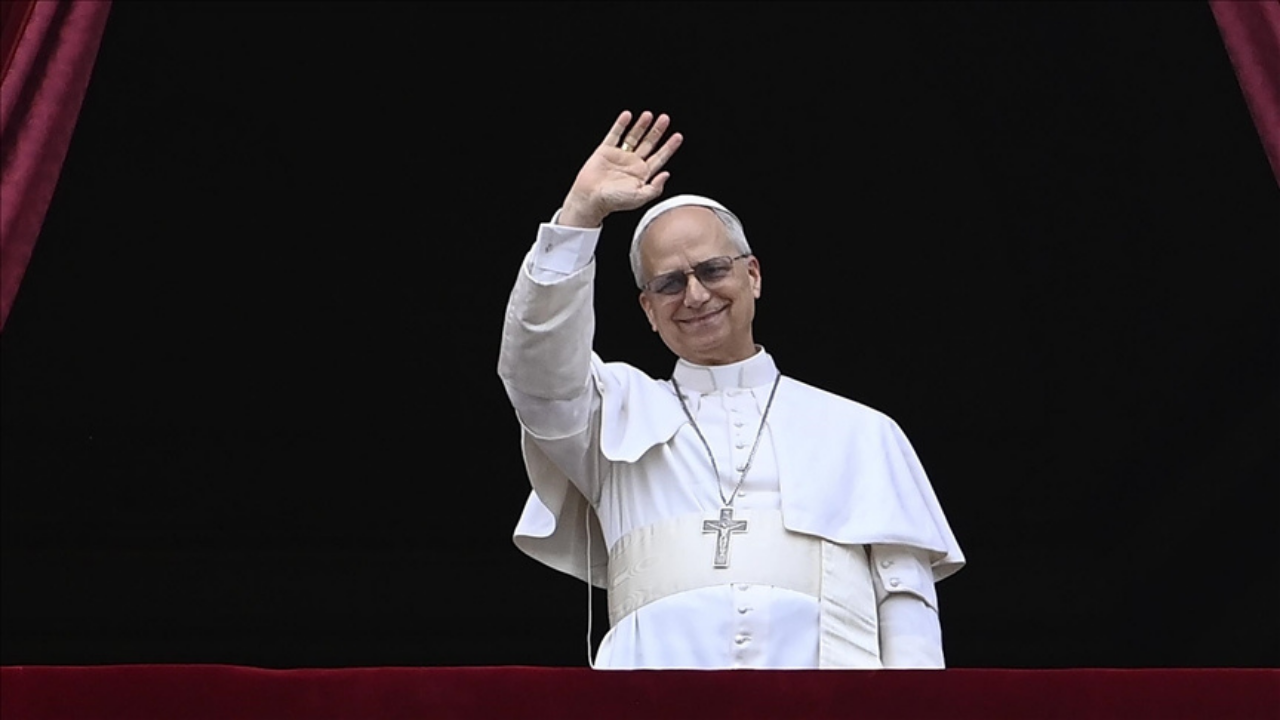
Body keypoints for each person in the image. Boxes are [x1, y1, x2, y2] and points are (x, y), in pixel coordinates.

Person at [498, 110, 964, 670]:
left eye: (713, 270)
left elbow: (907, 607)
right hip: (651, 697)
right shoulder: (610, 412)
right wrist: (578, 217)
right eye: (669, 283)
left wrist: (914, 708)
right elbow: (536, 372)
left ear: (754, 276)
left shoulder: (861, 431)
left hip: (826, 700)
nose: (695, 296)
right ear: (648, 310)